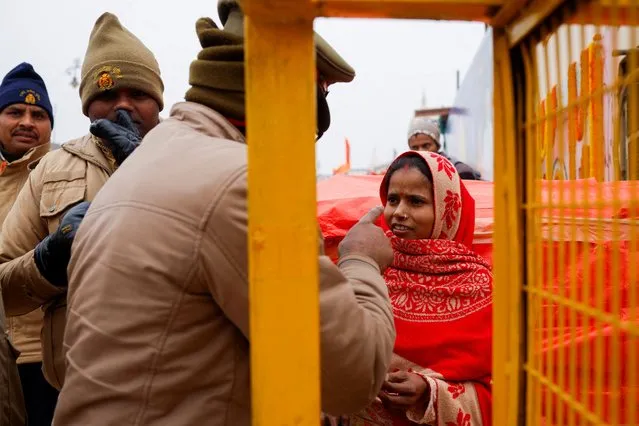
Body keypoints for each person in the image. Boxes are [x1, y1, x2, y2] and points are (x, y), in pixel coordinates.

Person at [53, 1, 396, 424]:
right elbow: (353, 377)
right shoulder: (244, 184)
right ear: (290, 94)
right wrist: (363, 261)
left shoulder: (150, 159)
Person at [0, 11, 164, 395]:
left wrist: (147, 170)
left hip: (173, 382)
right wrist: (46, 263)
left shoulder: (192, 157)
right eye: (106, 94)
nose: (123, 107)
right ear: (88, 106)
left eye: (138, 94)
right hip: (70, 385)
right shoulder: (51, 169)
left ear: (158, 101)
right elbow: (4, 283)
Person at [337, 150, 493, 425]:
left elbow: (501, 387)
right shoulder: (369, 268)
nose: (399, 212)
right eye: (393, 199)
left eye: (416, 201)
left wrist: (429, 392)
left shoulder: (482, 288)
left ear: (448, 211)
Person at [0, 62, 54, 426]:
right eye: (14, 111)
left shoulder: (66, 171)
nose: (27, 122)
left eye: (38, 114)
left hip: (50, 359)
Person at [407, 116, 482, 180]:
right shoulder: (407, 171)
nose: (421, 151)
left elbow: (465, 172)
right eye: (415, 147)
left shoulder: (455, 168)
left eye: (426, 146)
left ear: (437, 146)